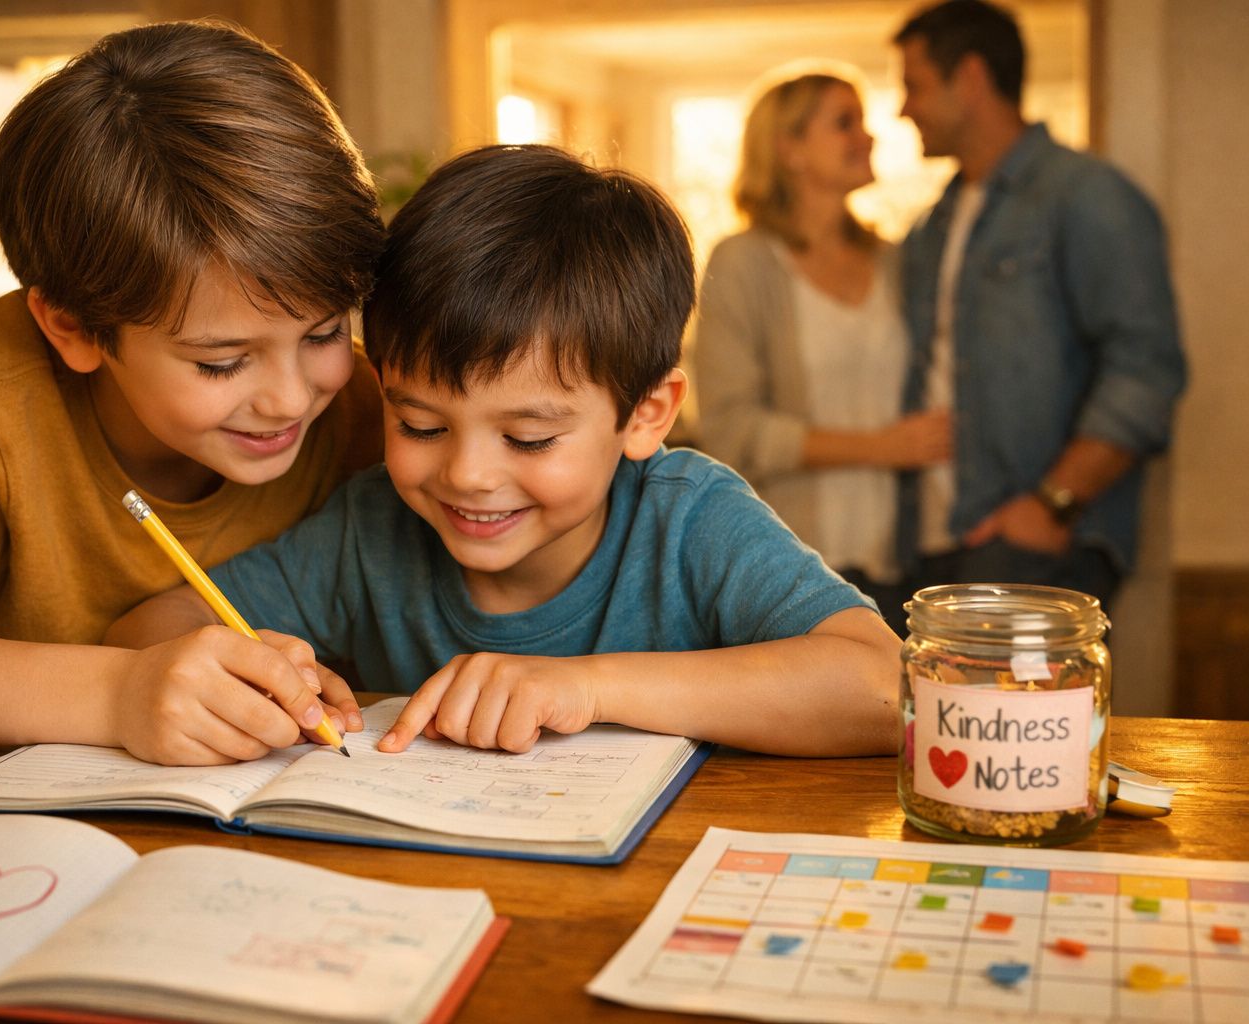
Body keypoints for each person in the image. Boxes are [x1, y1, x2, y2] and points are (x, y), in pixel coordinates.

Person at [108, 144, 901, 758]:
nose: (468, 475)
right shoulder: (369, 527)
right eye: (419, 425)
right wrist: (243, 674)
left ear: (645, 414)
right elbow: (154, 624)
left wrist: (584, 689)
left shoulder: (688, 519)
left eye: (527, 438)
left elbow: (883, 685)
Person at [0, 21, 387, 767]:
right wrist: (118, 691)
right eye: (221, 363)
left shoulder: (372, 410)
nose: (291, 397)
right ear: (73, 326)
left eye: (323, 333)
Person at [893, 0, 1186, 607]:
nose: (904, 109)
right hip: (934, 544)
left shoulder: (1086, 196)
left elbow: (1145, 366)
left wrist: (1053, 503)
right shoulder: (932, 226)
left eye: (914, 86)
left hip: (1038, 540)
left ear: (970, 77)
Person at [692, 71, 950, 632]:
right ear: (789, 149)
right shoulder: (742, 263)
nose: (868, 136)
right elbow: (731, 429)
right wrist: (881, 448)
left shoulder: (895, 261)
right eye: (844, 123)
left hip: (902, 559)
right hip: (786, 560)